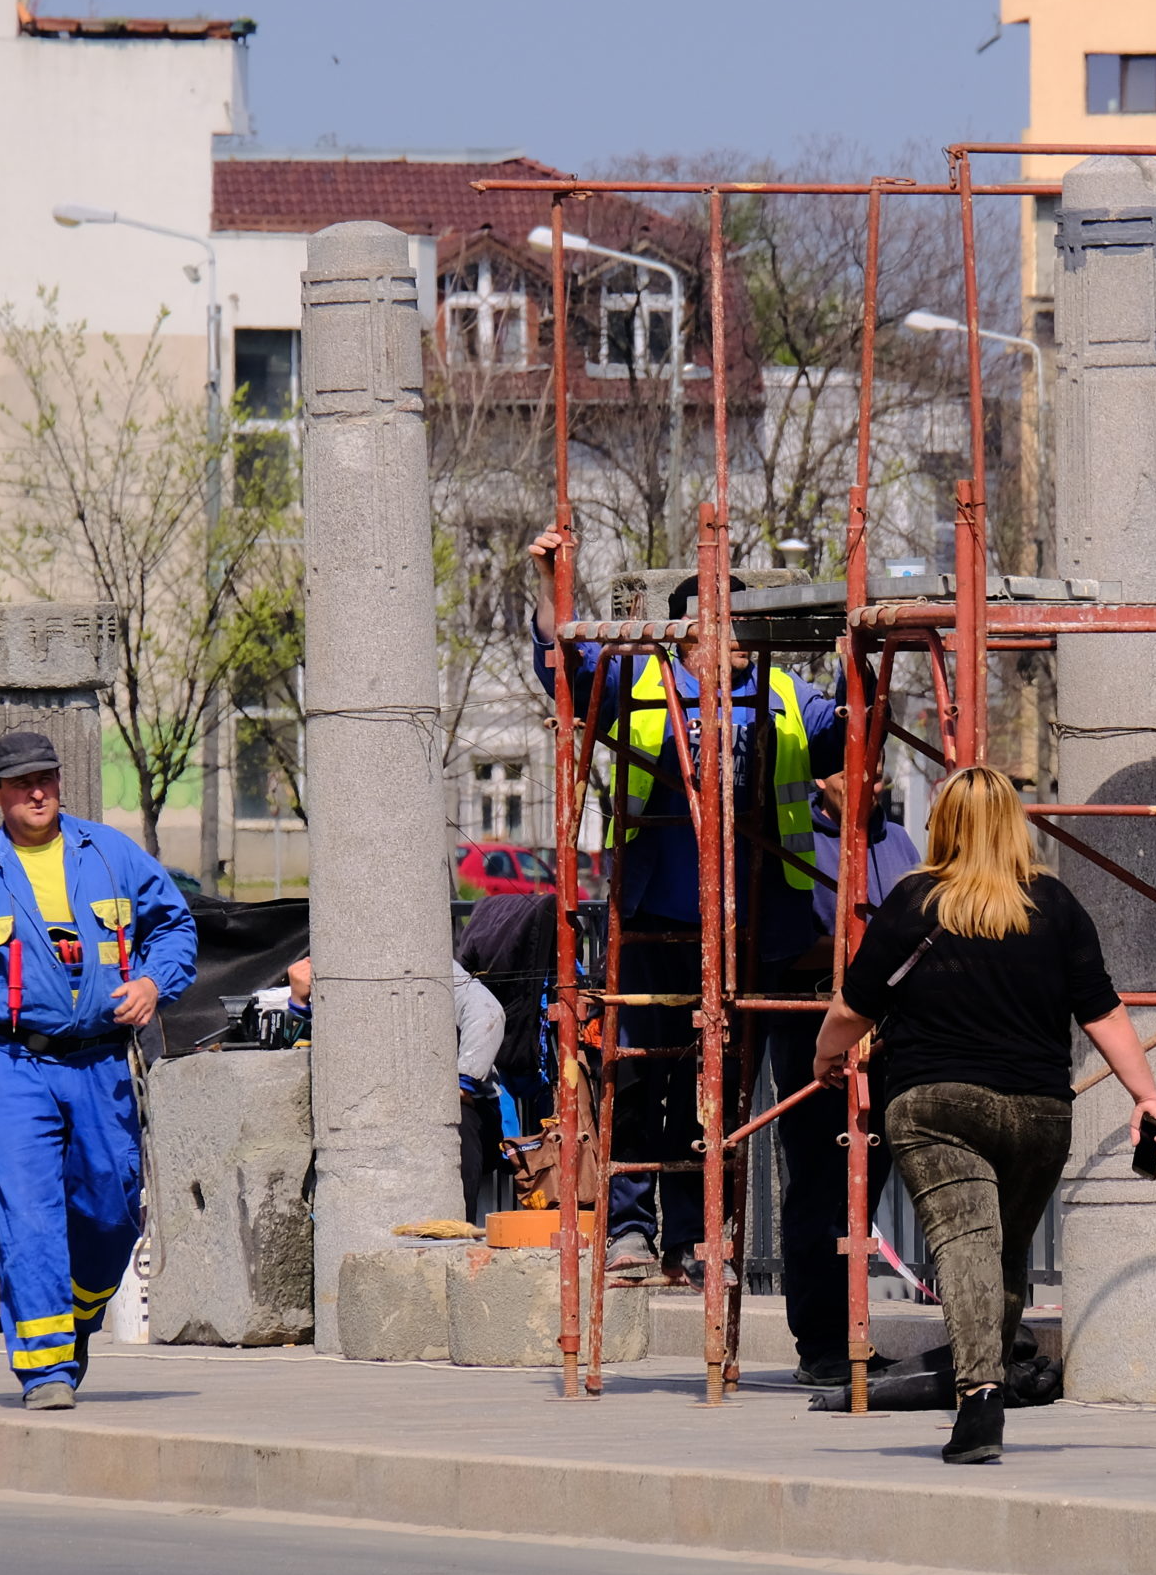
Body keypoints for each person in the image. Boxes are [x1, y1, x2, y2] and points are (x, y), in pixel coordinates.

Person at [813, 767, 1156, 1465]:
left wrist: (827, 1056)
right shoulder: (1056, 906)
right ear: (1016, 824)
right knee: (1001, 1252)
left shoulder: (915, 901)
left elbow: (853, 1007)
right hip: (1040, 1113)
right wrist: (1146, 1095)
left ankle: (979, 1397)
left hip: (936, 1106)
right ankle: (988, 1380)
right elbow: (1103, 1010)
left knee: (966, 1244)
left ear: (942, 823)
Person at [528, 526, 844, 1287]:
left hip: (754, 931)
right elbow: (565, 663)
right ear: (684, 635)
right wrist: (550, 584)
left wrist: (866, 650)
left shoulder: (783, 695)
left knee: (723, 1095)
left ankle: (704, 1233)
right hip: (655, 919)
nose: (731, 637)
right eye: (715, 622)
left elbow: (850, 729)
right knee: (638, 1075)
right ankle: (633, 1231)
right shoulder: (642, 686)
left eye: (739, 622)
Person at [0, 731, 198, 1412]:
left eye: (45, 777)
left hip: (101, 1061)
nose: (36, 791)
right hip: (13, 1067)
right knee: (30, 1218)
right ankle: (45, 1372)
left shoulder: (109, 854)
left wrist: (154, 982)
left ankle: (76, 1311)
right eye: (19, 782)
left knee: (115, 1207)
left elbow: (176, 928)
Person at [758, 767, 921, 1385]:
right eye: (851, 767)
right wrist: (863, 955)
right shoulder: (792, 842)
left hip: (886, 1027)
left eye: (878, 769)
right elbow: (776, 947)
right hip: (816, 1024)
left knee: (867, 1184)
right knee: (821, 1184)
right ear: (817, 776)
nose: (869, 781)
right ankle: (823, 1342)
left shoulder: (899, 842)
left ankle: (853, 1333)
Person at [283, 954, 508, 1209]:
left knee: (455, 1139)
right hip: (365, 1114)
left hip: (456, 1114)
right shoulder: (331, 965)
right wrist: (299, 1003)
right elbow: (304, 1055)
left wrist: (462, 1083)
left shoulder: (427, 960)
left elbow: (488, 1014)